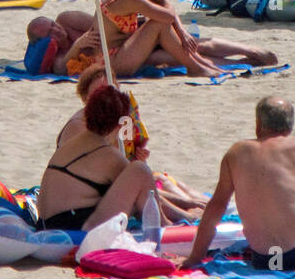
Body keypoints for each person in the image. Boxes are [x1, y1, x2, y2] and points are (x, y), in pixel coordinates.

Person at [182, 96, 295, 270]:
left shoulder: (235, 152)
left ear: (258, 125)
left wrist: (195, 258)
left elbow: (217, 205)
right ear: (289, 127)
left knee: (285, 257)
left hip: (269, 259)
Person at [56, 63, 208, 224]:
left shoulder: (115, 122)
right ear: (86, 98)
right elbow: (119, 178)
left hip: (96, 195)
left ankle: (197, 205)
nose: (106, 98)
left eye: (110, 91)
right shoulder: (82, 128)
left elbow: (129, 163)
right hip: (79, 207)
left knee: (162, 181)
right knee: (150, 183)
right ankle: (186, 214)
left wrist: (140, 158)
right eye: (98, 93)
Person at [38, 0, 276, 80]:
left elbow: (102, 26)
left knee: (181, 43)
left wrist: (180, 30)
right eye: (49, 32)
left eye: (52, 25)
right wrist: (78, 46)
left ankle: (248, 54)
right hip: (116, 55)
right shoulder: (61, 47)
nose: (55, 30)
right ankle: (202, 65)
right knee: (165, 47)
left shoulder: (69, 18)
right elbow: (62, 68)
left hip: (124, 46)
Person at [35, 83, 157, 232]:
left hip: (44, 224)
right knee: (140, 170)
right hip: (74, 227)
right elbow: (144, 192)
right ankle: (166, 224)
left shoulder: (73, 143)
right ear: (119, 125)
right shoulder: (109, 155)